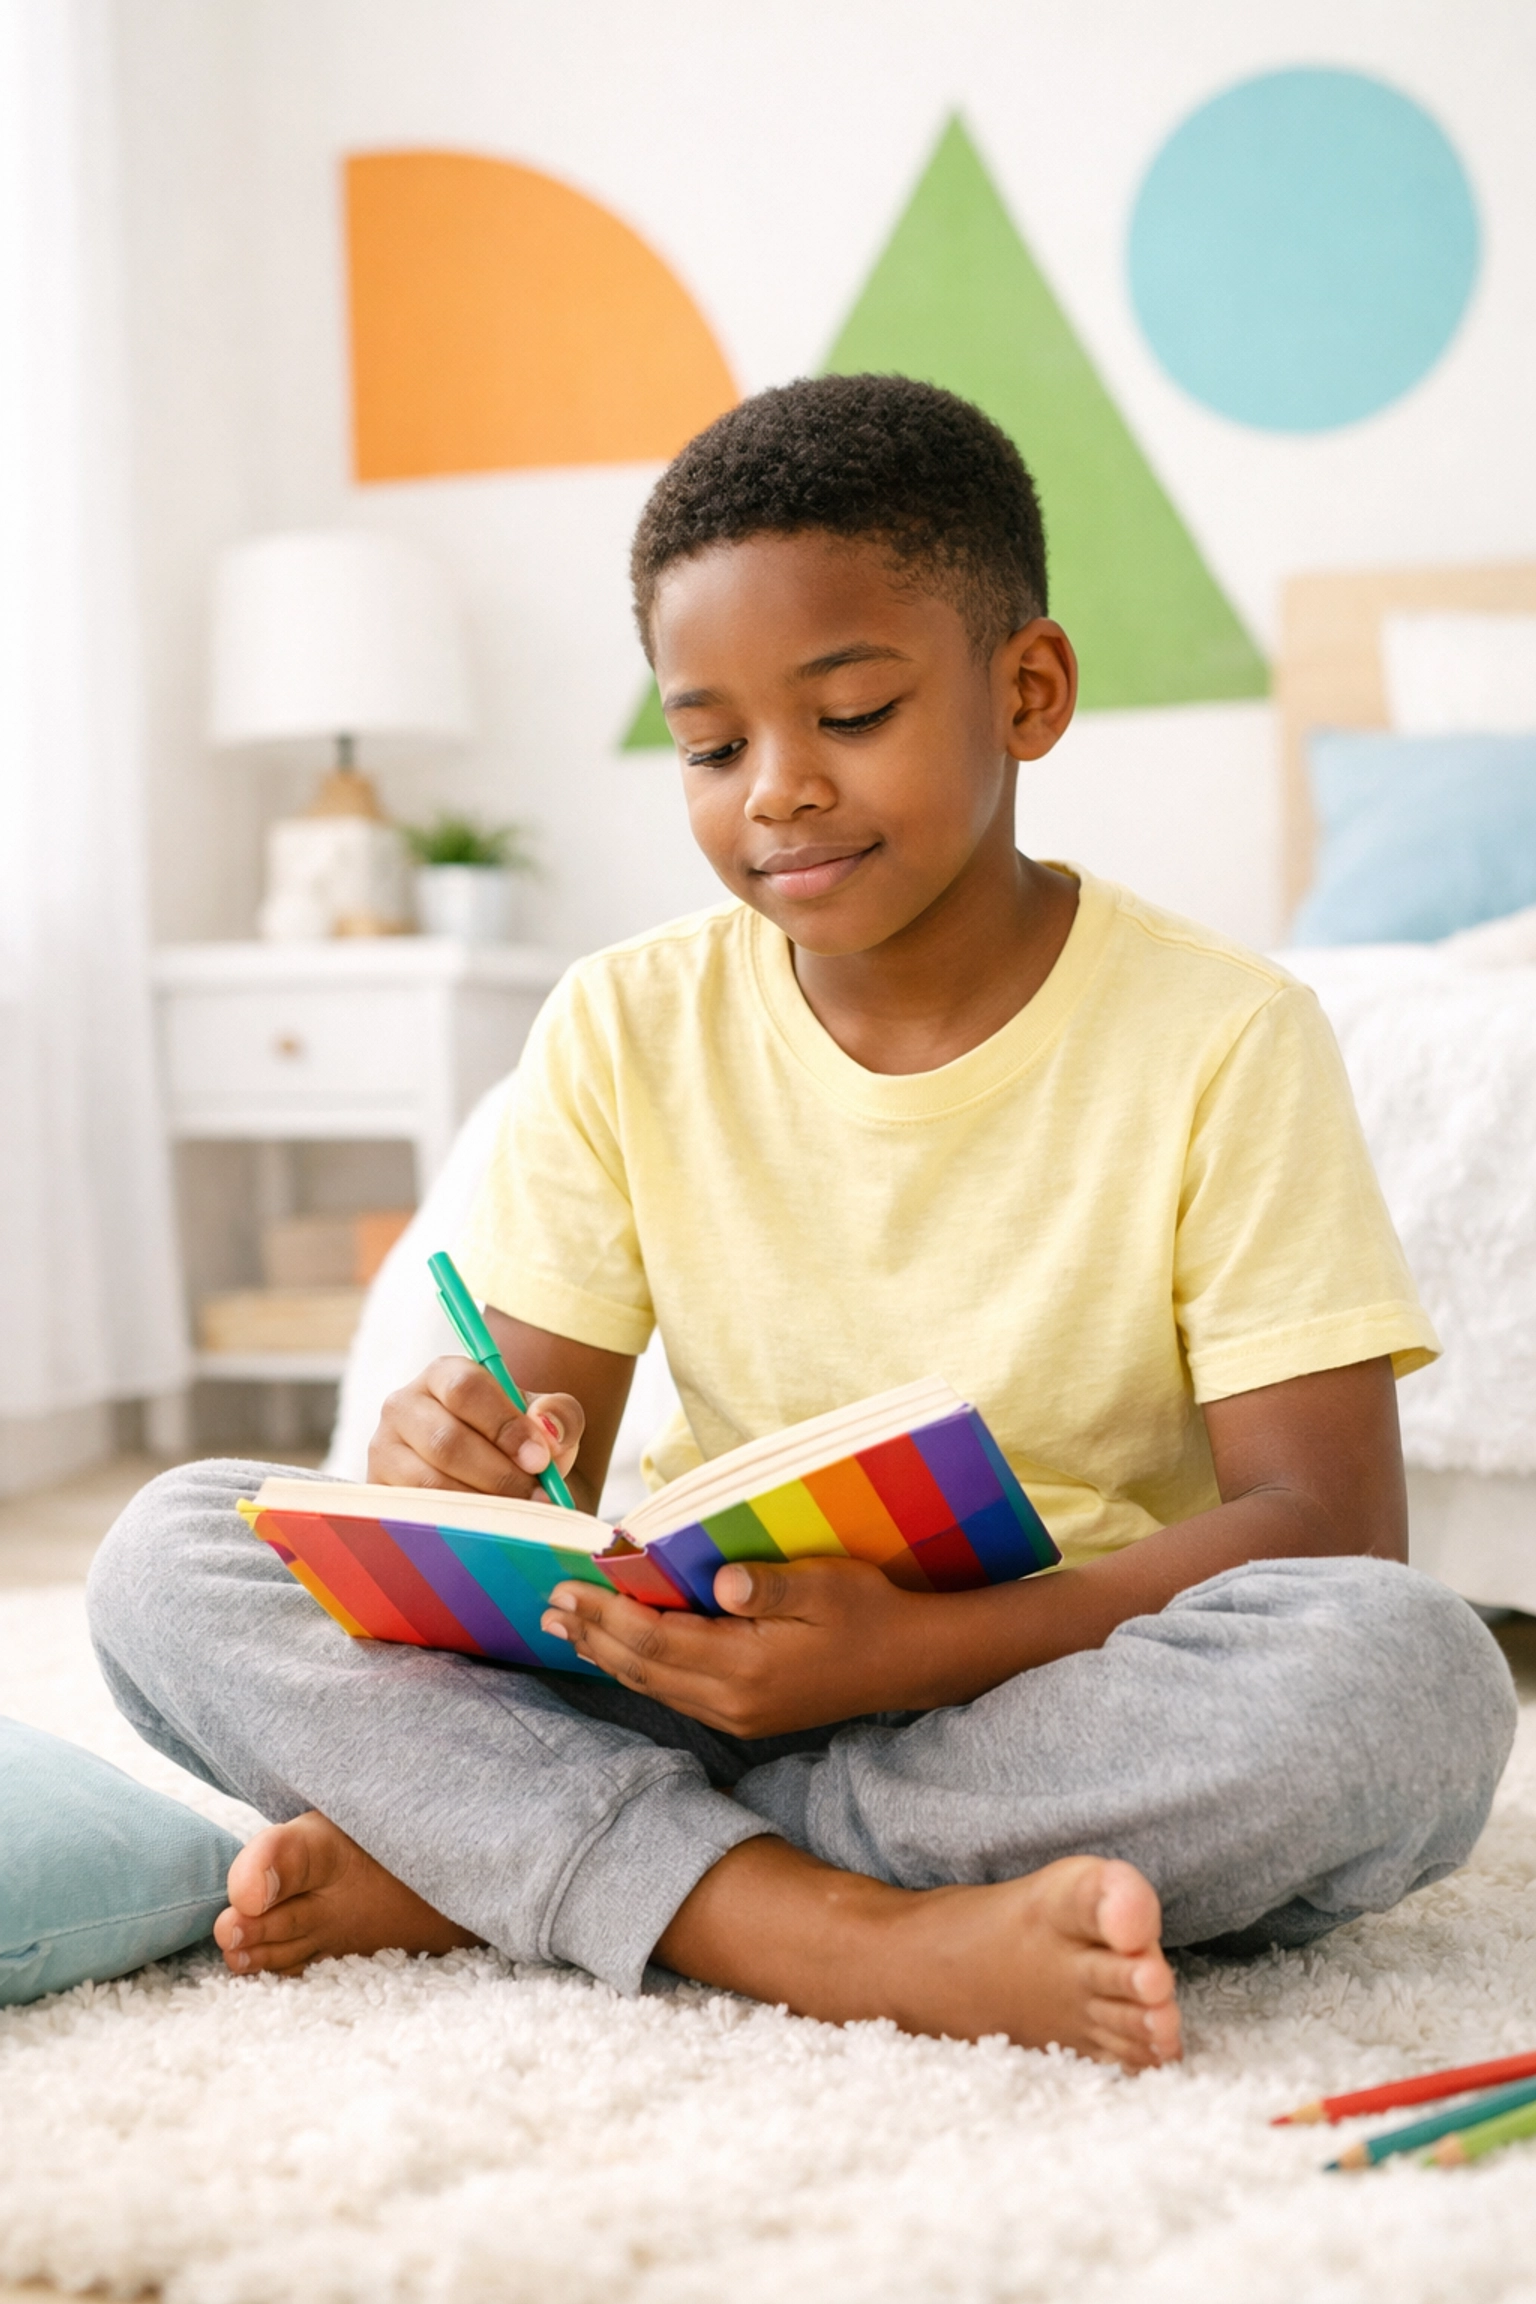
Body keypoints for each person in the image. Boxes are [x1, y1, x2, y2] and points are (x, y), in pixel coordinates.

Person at [88, 376, 1515, 2068]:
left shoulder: (1227, 1038)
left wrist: (911, 1652)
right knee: (172, 1554)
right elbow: (541, 1504)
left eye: (849, 716)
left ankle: (534, 1863)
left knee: (1407, 1678)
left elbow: (1332, 1528)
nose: (774, 790)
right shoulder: (624, 1023)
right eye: (711, 746)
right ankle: (835, 1929)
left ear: (1029, 691)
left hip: (1048, 1689)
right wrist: (446, 1479)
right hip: (703, 1673)